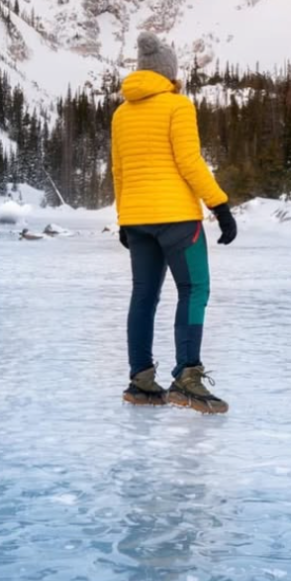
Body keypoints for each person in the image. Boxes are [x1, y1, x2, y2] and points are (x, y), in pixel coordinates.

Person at [111, 32, 237, 414]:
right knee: (194, 289)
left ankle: (141, 381)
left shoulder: (121, 113)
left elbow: (119, 171)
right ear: (168, 71)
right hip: (179, 219)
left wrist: (123, 218)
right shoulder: (177, 106)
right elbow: (189, 162)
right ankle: (187, 377)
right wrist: (220, 206)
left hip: (137, 220)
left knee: (143, 296)